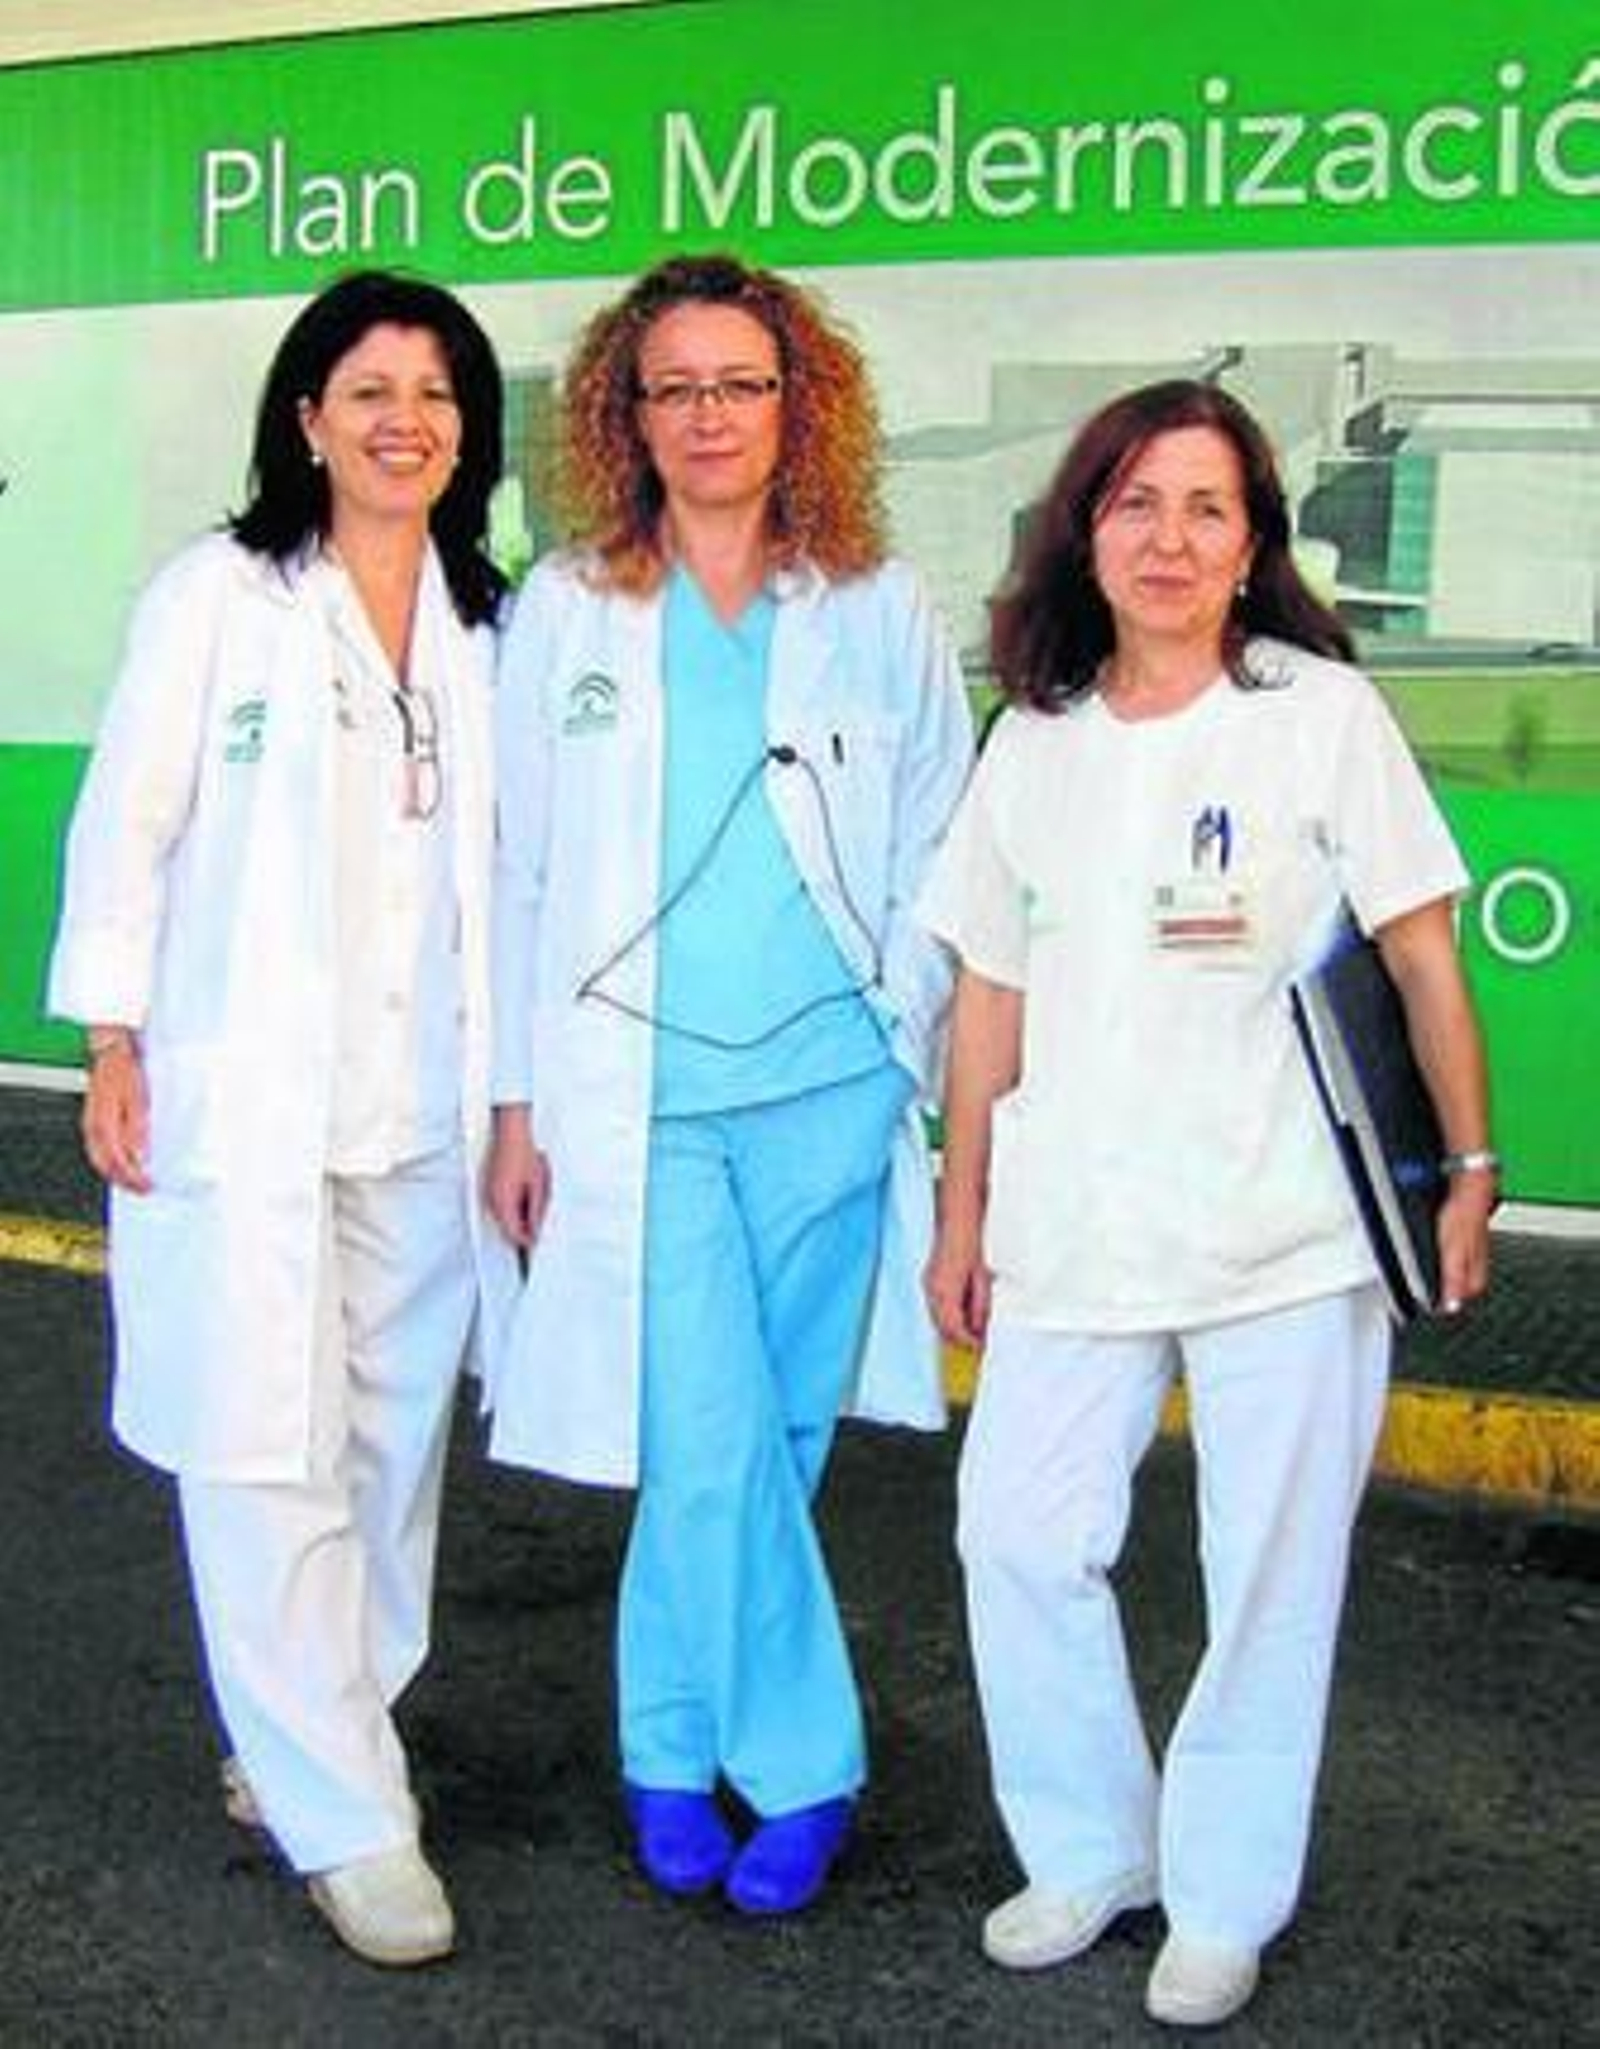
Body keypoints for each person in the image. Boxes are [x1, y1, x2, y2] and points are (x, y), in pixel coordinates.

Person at [920, 379, 1495, 2028]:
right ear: (1084, 530)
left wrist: (1467, 1170)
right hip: (1075, 1223)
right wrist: (961, 1213)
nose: (1168, 539)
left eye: (1207, 508)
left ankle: (1226, 1893)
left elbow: (1420, 952)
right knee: (1016, 1531)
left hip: (1284, 1228)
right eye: (1136, 504)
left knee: (1269, 1576)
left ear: (1252, 545)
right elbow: (989, 994)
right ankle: (1092, 1846)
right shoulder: (1034, 737)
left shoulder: (1317, 713)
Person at [484, 252, 973, 1916]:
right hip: (645, 1101)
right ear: (625, 414)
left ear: (796, 404)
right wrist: (515, 1103)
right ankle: (810, 1759)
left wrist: (902, 1034)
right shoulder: (569, 607)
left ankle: (669, 1740)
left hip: (836, 1085)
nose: (710, 415)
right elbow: (519, 869)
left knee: (769, 1438)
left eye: (741, 384)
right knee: (701, 1434)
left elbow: (942, 838)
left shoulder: (876, 603)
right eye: (676, 387)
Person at [48, 269, 507, 1968]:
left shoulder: (488, 622)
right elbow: (128, 822)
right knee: (262, 1438)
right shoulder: (218, 596)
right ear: (307, 417)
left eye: (436, 393)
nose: (405, 420)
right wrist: (112, 1037)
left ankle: (326, 1720)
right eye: (369, 389)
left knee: (390, 1441)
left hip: (423, 1101)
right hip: (246, 1090)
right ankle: (345, 1813)